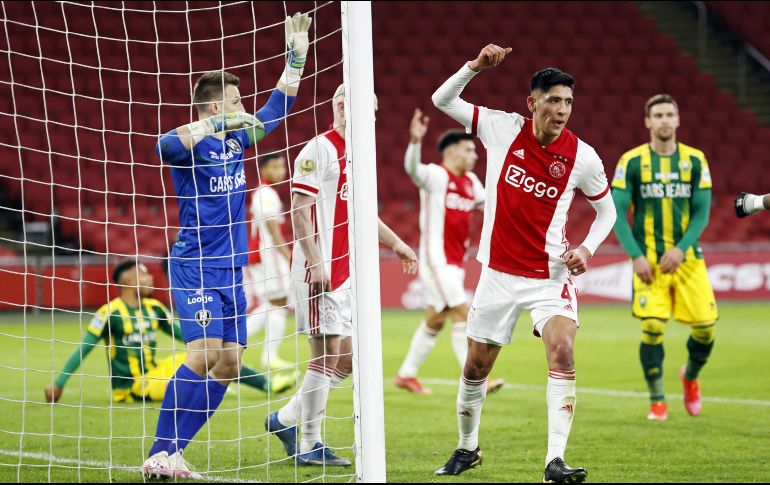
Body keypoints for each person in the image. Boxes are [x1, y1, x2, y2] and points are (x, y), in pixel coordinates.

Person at [431, 44, 616, 483]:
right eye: (554, 100)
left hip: (549, 277)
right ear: (532, 102)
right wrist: (474, 68)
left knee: (563, 349)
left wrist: (587, 248)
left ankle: (555, 461)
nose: (563, 109)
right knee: (476, 366)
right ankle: (467, 448)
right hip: (496, 274)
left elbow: (606, 211)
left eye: (569, 101)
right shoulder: (501, 128)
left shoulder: (583, 157)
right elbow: (443, 100)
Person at [141, 12, 312, 479]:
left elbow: (276, 110)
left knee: (230, 363)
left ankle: (174, 452)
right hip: (195, 263)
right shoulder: (191, 144)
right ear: (215, 108)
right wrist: (210, 124)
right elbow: (163, 147)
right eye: (235, 101)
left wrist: (295, 59)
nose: (244, 107)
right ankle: (159, 451)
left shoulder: (238, 142)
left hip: (231, 267)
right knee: (203, 355)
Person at [264, 84, 419, 467]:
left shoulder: (360, 158)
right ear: (334, 107)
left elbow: (364, 212)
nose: (347, 107)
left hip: (346, 274)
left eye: (360, 103)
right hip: (320, 272)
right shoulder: (320, 148)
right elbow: (300, 209)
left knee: (346, 359)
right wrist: (316, 260)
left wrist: (398, 244)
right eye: (341, 100)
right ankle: (310, 443)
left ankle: (284, 420)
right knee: (327, 352)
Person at [44, 261, 292, 404]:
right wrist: (58, 383)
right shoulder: (109, 313)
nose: (150, 277)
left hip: (153, 371)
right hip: (131, 387)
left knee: (209, 356)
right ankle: (214, 387)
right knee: (189, 385)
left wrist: (211, 334)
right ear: (128, 281)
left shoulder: (154, 308)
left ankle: (266, 383)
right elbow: (83, 348)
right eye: (143, 274)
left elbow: (184, 334)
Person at [612, 94, 718, 422]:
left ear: (678, 120)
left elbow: (701, 214)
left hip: (687, 259)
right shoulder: (631, 162)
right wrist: (635, 256)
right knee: (654, 326)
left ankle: (691, 376)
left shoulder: (695, 160)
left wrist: (681, 247)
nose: (664, 120)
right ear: (647, 122)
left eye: (669, 114)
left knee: (705, 330)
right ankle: (657, 399)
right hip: (649, 263)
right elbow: (615, 214)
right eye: (657, 115)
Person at [394, 109, 504, 395]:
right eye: (469, 150)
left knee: (436, 319)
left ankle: (406, 374)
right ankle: (477, 378)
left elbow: (492, 206)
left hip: (456, 262)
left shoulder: (470, 182)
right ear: (452, 152)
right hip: (436, 261)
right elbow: (412, 170)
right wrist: (415, 142)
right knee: (463, 314)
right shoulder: (436, 176)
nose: (474, 156)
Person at [244, 152, 293, 370]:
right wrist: (288, 256)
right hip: (268, 253)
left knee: (272, 304)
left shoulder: (263, 193)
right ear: (263, 170)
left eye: (282, 167)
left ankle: (235, 342)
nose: (280, 171)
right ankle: (268, 355)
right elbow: (273, 230)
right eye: (275, 167)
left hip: (262, 253)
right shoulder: (266, 194)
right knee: (280, 301)